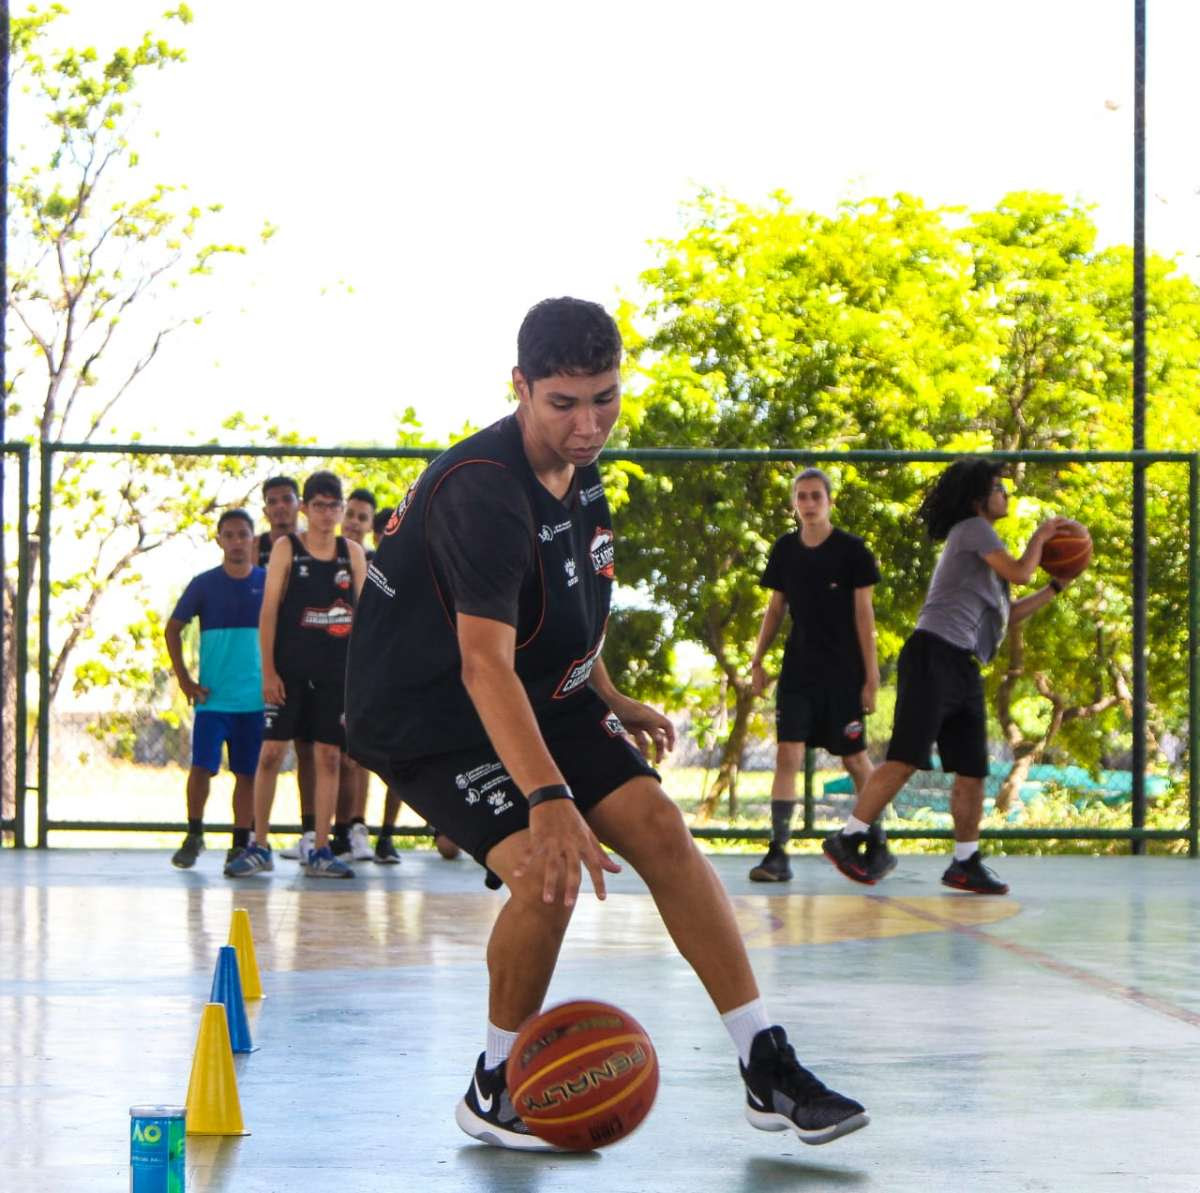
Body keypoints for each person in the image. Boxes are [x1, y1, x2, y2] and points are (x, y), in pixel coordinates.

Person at [346, 297, 867, 1150]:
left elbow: (556, 612)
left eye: (606, 398)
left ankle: (765, 1064)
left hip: (541, 690)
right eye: (563, 403)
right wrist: (550, 798)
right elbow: (484, 663)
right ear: (518, 386)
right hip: (433, 716)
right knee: (545, 871)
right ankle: (494, 1085)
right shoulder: (482, 492)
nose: (589, 425)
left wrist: (606, 691)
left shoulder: (578, 465)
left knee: (661, 825)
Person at [823, 460, 1074, 894]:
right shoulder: (972, 530)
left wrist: (1056, 588)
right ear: (979, 498)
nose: (1006, 495)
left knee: (973, 770)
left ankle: (965, 862)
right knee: (904, 758)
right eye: (999, 488)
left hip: (963, 663)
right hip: (932, 655)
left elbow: (1007, 616)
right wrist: (1042, 536)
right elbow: (1021, 570)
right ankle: (848, 838)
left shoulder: (986, 556)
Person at [227, 471, 367, 878]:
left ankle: (321, 846)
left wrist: (359, 678)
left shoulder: (351, 553)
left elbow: (366, 618)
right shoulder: (288, 548)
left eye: (333, 506)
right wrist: (269, 671)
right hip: (288, 672)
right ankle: (259, 844)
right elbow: (268, 611)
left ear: (341, 510)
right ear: (306, 509)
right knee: (270, 753)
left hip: (334, 676)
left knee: (328, 757)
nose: (327, 514)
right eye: (319, 506)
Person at [747, 469, 885, 882]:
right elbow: (775, 609)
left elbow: (865, 616)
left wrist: (871, 676)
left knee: (854, 758)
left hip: (843, 674)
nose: (808, 504)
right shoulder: (786, 550)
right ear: (794, 504)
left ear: (829, 502)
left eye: (815, 497)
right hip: (798, 673)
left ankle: (876, 838)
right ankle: (777, 851)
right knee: (787, 754)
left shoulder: (853, 552)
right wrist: (757, 659)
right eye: (802, 497)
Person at [164, 509, 265, 869]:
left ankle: (241, 842)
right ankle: (194, 833)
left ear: (253, 538)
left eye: (243, 535)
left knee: (248, 773)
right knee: (201, 768)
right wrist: (185, 679)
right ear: (219, 539)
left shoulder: (268, 583)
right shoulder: (204, 584)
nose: (237, 542)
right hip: (213, 698)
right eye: (230, 535)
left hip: (254, 700)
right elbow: (173, 628)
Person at [257, 475, 318, 863]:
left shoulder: (314, 546)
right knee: (264, 753)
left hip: (309, 665)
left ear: (298, 505)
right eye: (272, 501)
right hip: (265, 665)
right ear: (265, 509)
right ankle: (251, 839)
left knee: (313, 751)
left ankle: (313, 833)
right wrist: (267, 668)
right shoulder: (254, 546)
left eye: (286, 499)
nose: (279, 506)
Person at [330, 487, 379, 861]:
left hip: (363, 671)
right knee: (327, 754)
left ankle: (357, 826)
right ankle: (328, 831)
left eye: (363, 518)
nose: (355, 523)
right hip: (325, 669)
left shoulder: (377, 563)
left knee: (357, 755)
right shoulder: (323, 556)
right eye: (351, 514)